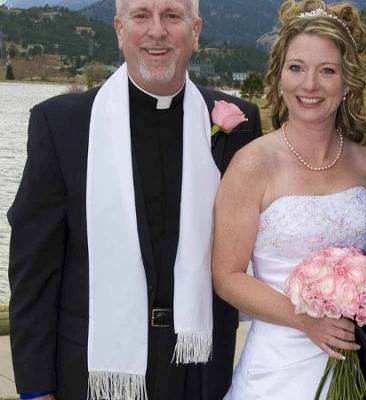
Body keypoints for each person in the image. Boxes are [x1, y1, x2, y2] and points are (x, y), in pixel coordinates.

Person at [7, 0, 261, 397]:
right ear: (119, 30)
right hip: (92, 370)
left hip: (199, 369)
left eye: (172, 16)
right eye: (141, 15)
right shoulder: (60, 124)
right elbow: (33, 269)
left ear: (195, 31)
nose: (156, 31)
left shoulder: (238, 124)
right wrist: (36, 388)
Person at [211, 1, 366, 399]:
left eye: (327, 71)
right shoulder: (252, 163)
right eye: (297, 68)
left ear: (347, 80)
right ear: (280, 75)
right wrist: (306, 320)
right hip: (277, 366)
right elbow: (227, 275)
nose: (310, 86)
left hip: (353, 363)